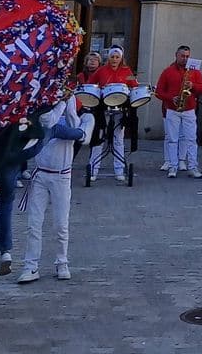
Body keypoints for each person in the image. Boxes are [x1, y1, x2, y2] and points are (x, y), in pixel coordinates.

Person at [19, 98, 91, 283]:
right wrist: (59, 102)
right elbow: (49, 123)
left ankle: (62, 262)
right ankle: (31, 266)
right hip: (41, 174)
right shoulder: (44, 115)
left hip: (62, 177)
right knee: (34, 223)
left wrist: (69, 102)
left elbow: (79, 133)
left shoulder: (81, 119)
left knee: (60, 224)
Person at [156, 46, 202, 178]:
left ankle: (193, 167)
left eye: (187, 56)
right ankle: (173, 166)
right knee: (172, 139)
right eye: (182, 56)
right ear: (176, 55)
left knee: (191, 139)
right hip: (172, 109)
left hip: (189, 109)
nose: (185, 59)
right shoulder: (168, 71)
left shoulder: (194, 71)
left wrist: (193, 86)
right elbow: (158, 91)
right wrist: (171, 98)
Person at [88, 48, 135, 181]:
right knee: (99, 138)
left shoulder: (127, 71)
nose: (114, 59)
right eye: (112, 57)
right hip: (103, 108)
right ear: (108, 58)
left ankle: (119, 171)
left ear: (121, 58)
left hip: (120, 108)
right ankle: (93, 170)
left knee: (118, 139)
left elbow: (134, 85)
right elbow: (91, 85)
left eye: (117, 57)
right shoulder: (101, 70)